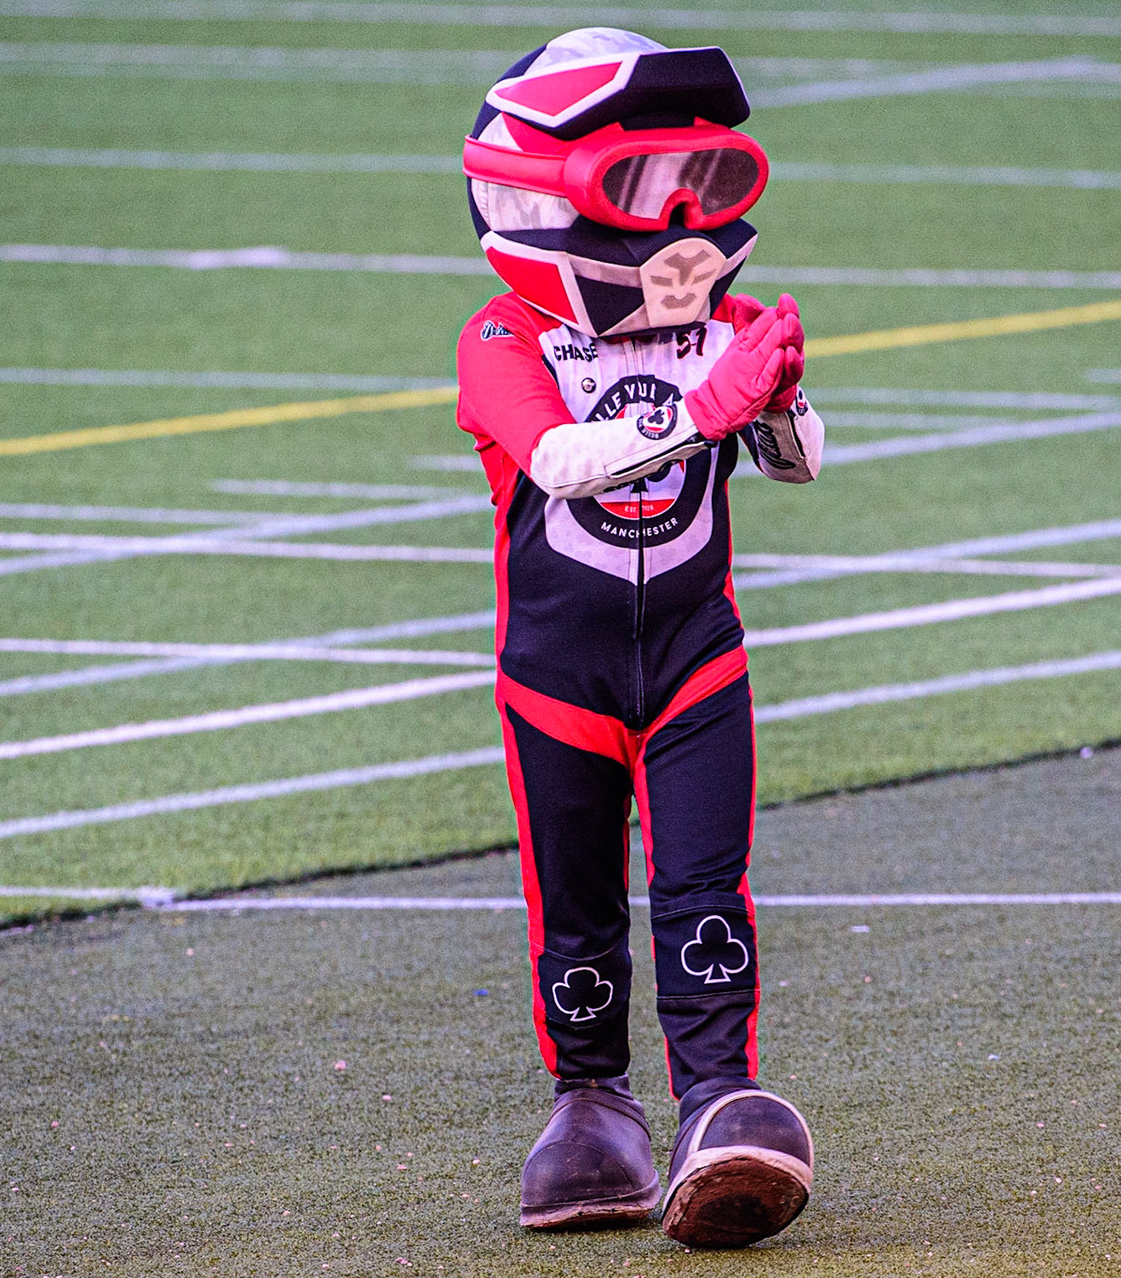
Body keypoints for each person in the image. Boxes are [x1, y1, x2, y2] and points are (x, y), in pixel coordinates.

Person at [453, 27, 825, 1249]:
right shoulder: (507, 338)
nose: (677, 223)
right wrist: (712, 404)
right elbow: (561, 464)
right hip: (559, 676)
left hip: (694, 655)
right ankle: (593, 1110)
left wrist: (776, 401)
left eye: (697, 185)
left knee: (705, 886)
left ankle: (717, 1106)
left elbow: (798, 467)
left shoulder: (716, 327)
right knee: (578, 908)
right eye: (643, 186)